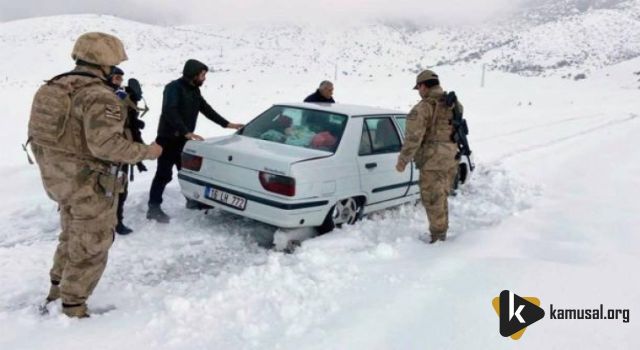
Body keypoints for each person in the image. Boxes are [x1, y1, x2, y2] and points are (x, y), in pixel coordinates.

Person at [28, 32, 163, 317]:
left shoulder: (52, 88)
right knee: (91, 243)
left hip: (58, 181)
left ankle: (57, 289)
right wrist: (148, 151)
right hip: (90, 184)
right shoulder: (99, 96)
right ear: (105, 63)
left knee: (70, 235)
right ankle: (73, 306)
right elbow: (107, 145)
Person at [147, 59, 244, 223]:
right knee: (163, 174)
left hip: (184, 140)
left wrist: (227, 124)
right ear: (193, 74)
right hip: (168, 138)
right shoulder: (173, 88)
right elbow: (169, 111)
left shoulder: (194, 91)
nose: (204, 78)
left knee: (188, 172)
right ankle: (153, 207)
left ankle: (192, 200)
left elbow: (206, 109)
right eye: (202, 75)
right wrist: (185, 132)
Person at [395, 70, 461, 244]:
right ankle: (441, 232)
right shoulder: (453, 103)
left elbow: (413, 137)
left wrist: (403, 160)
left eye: (419, 88)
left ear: (424, 86)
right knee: (441, 197)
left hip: (433, 161)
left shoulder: (424, 107)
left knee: (432, 199)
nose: (419, 92)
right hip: (451, 158)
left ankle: (438, 238)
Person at [106, 67, 148, 235]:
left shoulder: (121, 95)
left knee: (121, 189)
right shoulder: (102, 96)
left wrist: (134, 118)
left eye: (120, 79)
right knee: (105, 191)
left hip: (122, 151)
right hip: (106, 152)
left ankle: (117, 222)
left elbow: (129, 117)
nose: (118, 82)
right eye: (115, 78)